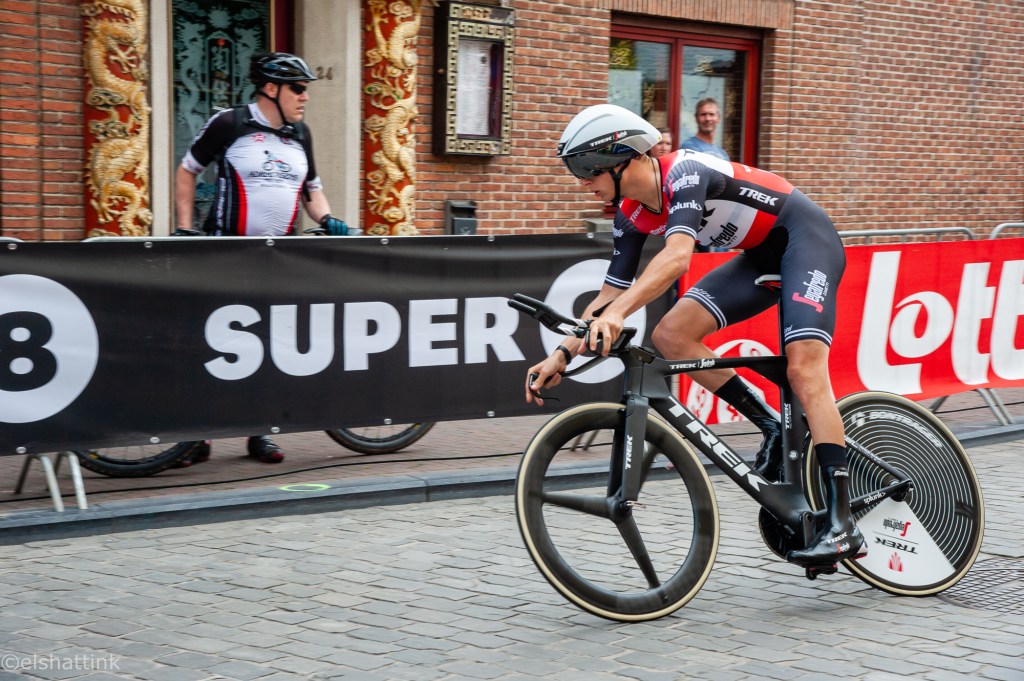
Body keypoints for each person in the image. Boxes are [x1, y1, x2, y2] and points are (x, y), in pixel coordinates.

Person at [525, 103, 864, 566]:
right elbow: (608, 295)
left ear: (623, 157)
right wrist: (562, 355)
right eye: (575, 169)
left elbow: (677, 257)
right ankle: (770, 424)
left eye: (587, 167)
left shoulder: (684, 172)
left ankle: (843, 523)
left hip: (805, 241)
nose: (581, 181)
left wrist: (619, 313)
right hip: (759, 257)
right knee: (671, 335)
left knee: (804, 370)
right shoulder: (629, 214)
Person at [173, 52, 347, 465]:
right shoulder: (230, 123)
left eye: (306, 89)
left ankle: (260, 432)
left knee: (268, 346)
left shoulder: (300, 134)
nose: (305, 97)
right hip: (226, 254)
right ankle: (199, 437)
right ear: (270, 89)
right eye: (298, 88)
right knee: (215, 344)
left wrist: (328, 218)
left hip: (277, 258)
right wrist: (184, 229)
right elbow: (187, 170)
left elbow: (312, 192)